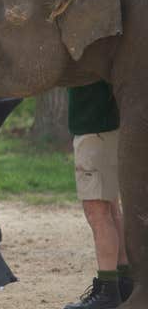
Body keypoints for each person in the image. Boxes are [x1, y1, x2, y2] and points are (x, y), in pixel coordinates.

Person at [64, 81, 133, 309]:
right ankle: (123, 280)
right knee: (111, 206)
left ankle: (108, 290)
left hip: (94, 128)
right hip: (105, 127)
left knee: (97, 211)